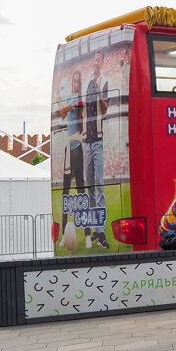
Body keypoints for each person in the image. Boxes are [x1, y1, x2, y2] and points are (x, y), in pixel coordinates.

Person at [82, 50, 110, 249]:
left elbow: (106, 107)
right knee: (90, 187)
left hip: (98, 139)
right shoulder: (87, 83)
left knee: (99, 187)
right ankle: (95, 229)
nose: (97, 62)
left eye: (99, 60)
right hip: (87, 140)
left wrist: (100, 92)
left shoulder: (104, 81)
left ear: (103, 62)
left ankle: (101, 232)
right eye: (95, 60)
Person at [57, 69, 86, 246]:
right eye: (73, 81)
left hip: (77, 146)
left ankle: (88, 235)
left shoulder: (78, 98)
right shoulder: (70, 96)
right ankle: (62, 236)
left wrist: (63, 106)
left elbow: (63, 110)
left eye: (77, 81)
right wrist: (63, 107)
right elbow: (62, 113)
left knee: (82, 189)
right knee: (65, 192)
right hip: (68, 146)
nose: (75, 84)